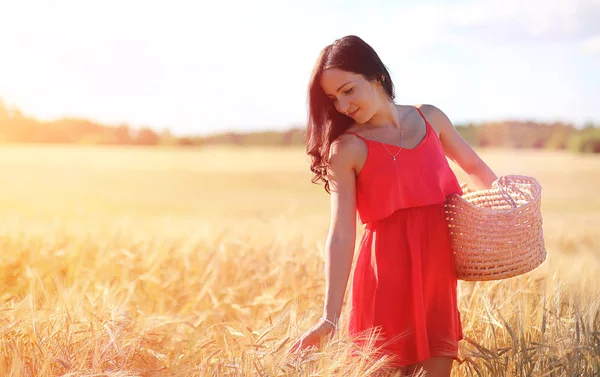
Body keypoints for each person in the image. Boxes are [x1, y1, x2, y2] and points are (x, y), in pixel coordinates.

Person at [288, 35, 498, 376]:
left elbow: (475, 168)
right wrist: (330, 315)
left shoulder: (431, 119)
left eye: (348, 90)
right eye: (333, 99)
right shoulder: (347, 149)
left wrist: (507, 212)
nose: (342, 106)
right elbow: (341, 233)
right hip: (383, 281)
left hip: (436, 278)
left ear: (376, 76)